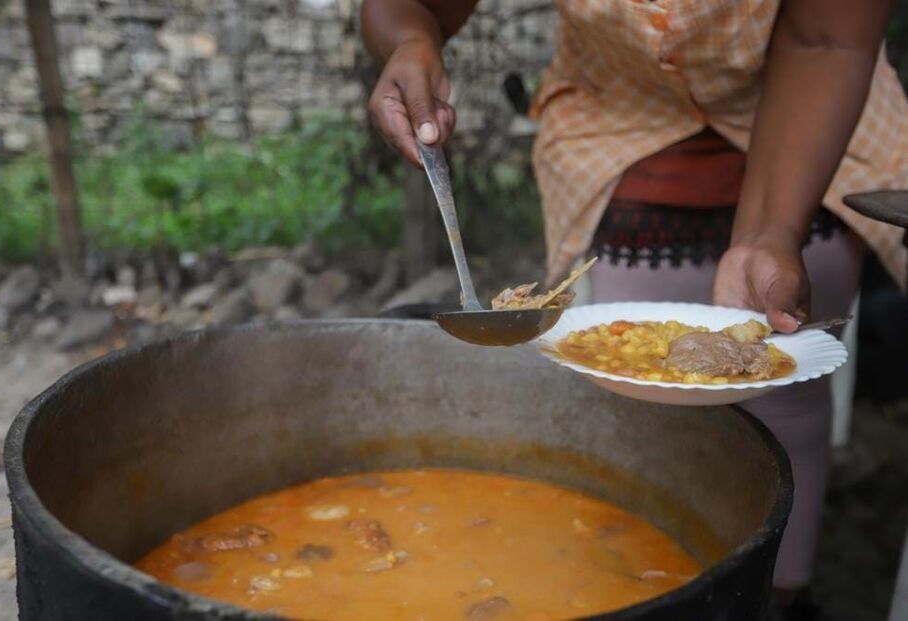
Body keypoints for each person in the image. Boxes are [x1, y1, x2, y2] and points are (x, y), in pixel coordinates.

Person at [361, 1, 908, 619]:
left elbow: (826, 39)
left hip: (816, 113)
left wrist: (768, 235)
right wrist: (411, 39)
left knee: (783, 378)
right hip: (616, 114)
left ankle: (779, 594)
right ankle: (624, 584)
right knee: (634, 412)